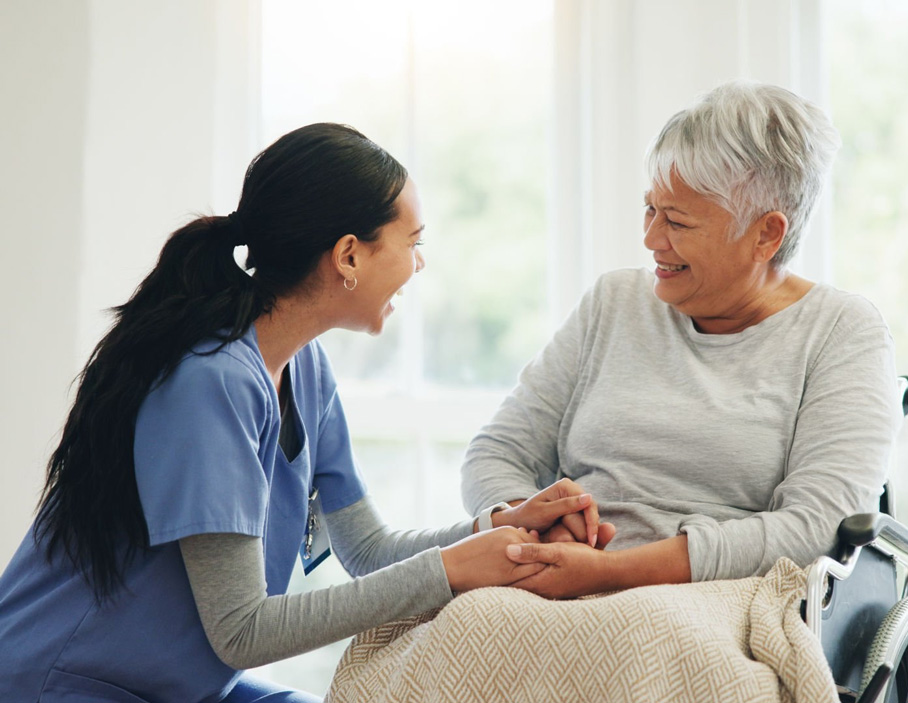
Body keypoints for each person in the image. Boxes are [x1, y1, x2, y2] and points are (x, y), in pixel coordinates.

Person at [0, 123, 602, 703]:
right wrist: (451, 570)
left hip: (181, 686)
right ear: (348, 256)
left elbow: (366, 547)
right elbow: (243, 631)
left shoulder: (305, 369)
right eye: (412, 243)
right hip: (64, 680)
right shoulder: (211, 381)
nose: (419, 265)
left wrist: (496, 527)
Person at [461, 81, 902, 598]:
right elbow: (497, 452)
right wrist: (527, 522)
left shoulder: (842, 332)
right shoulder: (613, 302)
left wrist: (611, 572)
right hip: (555, 580)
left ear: (766, 234)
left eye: (676, 221)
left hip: (720, 601)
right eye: (650, 209)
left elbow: (815, 526)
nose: (650, 240)